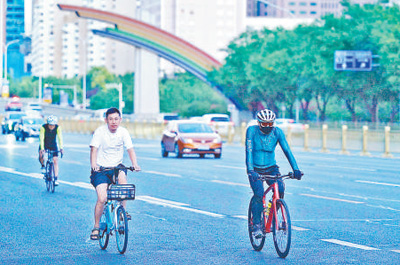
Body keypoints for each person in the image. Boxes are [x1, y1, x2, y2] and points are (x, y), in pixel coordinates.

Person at [246, 109, 302, 238]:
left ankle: (272, 214)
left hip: (272, 168)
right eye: (264, 124)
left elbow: (287, 150)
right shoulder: (252, 131)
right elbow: (248, 151)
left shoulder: (277, 132)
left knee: (280, 188)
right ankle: (257, 225)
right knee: (259, 193)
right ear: (259, 123)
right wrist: (250, 171)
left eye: (270, 124)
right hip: (255, 169)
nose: (268, 127)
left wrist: (296, 169)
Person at [89, 107, 141, 240]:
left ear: (120, 119)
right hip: (100, 170)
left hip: (116, 167)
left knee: (123, 181)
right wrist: (94, 164)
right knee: (102, 198)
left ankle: (123, 210)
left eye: (116, 119)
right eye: (111, 119)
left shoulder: (123, 132)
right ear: (106, 120)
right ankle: (96, 226)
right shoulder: (100, 132)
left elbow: (130, 149)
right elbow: (93, 149)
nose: (113, 122)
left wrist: (135, 164)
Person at [39, 115, 64, 186]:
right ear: (47, 124)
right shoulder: (43, 127)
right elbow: (41, 138)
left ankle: (55, 179)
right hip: (44, 143)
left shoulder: (58, 128)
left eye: (53, 125)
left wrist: (61, 148)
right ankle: (43, 166)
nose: (52, 127)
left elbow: (60, 138)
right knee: (41, 155)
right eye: (50, 125)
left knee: (55, 161)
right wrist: (42, 148)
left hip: (53, 145)